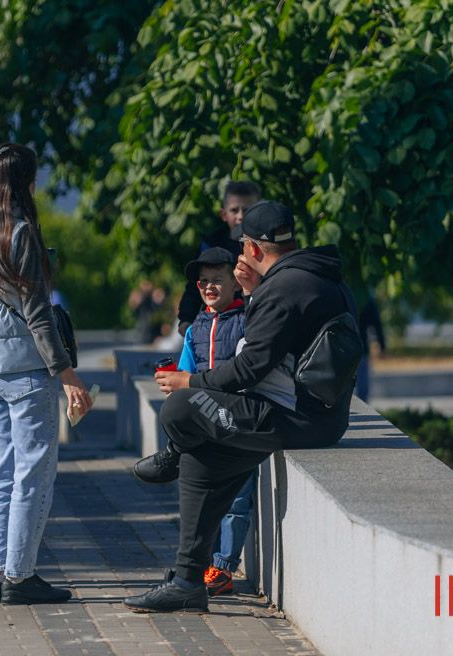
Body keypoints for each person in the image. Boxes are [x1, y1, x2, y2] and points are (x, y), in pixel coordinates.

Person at [126, 201, 356, 614]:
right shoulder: (317, 277)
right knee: (201, 458)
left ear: (250, 247)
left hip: (296, 418)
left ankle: (171, 455)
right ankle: (187, 581)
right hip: (314, 413)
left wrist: (189, 381)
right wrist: (253, 293)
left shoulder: (284, 289)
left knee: (180, 410)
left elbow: (249, 366)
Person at [0, 142, 94, 605]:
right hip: (25, 369)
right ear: (24, 182)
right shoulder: (20, 231)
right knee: (35, 472)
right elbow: (36, 312)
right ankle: (20, 574)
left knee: (3, 472)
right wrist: (67, 374)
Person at [173, 247, 250, 598]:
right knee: (204, 496)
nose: (209, 287)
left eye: (217, 280)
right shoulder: (196, 328)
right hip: (203, 420)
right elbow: (185, 372)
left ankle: (223, 566)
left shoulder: (247, 320)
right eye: (203, 281)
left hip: (235, 419)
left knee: (236, 498)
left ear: (236, 281)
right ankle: (201, 561)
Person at [175, 180, 261, 336]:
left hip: (255, 321)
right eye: (235, 210)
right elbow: (195, 285)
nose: (241, 216)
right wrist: (186, 319)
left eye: (247, 210)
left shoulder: (266, 243)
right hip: (217, 321)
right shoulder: (211, 244)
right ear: (223, 214)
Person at [354, 292, 386, 402]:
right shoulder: (366, 298)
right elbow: (377, 324)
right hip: (361, 346)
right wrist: (382, 345)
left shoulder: (342, 292)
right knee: (363, 387)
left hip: (343, 347)